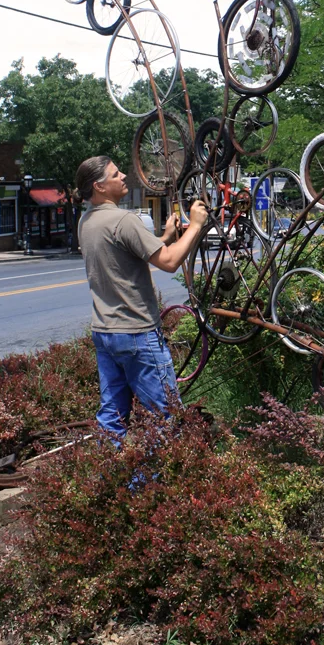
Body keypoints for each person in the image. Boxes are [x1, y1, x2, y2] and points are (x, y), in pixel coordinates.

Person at [74, 155, 207, 439]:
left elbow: (127, 254)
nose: (123, 176)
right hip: (137, 333)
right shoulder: (124, 220)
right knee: (164, 416)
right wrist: (195, 225)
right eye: (115, 174)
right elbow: (169, 262)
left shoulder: (86, 222)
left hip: (105, 332)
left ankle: (109, 466)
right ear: (99, 186)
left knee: (112, 415)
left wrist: (165, 237)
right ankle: (154, 469)